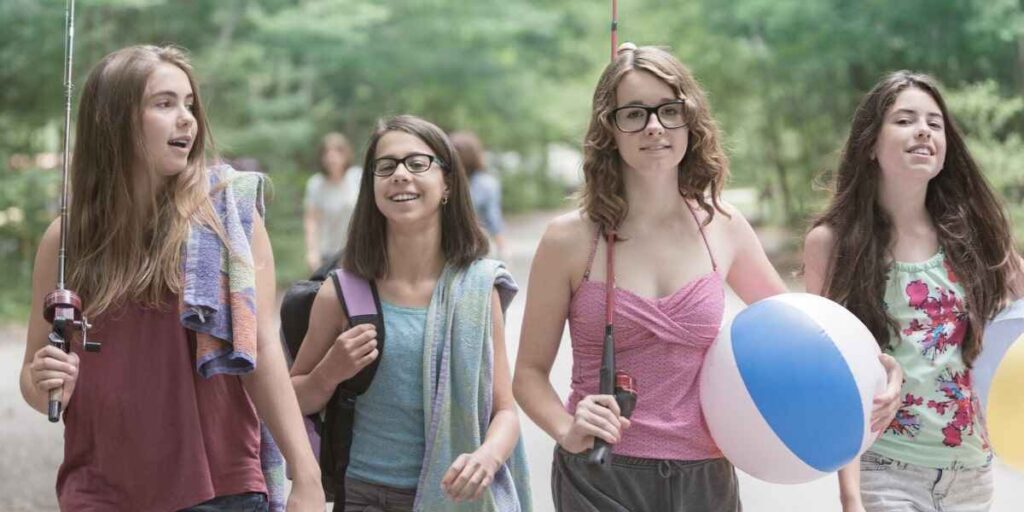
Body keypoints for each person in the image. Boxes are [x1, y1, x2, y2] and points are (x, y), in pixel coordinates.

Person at [512, 44, 903, 511]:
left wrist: (875, 366)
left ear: (689, 120)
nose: (654, 126)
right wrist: (566, 428)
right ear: (608, 129)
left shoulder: (724, 225)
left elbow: (803, 337)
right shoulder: (568, 240)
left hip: (706, 477)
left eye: (668, 110)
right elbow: (529, 375)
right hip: (600, 474)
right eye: (634, 113)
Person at [19, 45, 324, 511]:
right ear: (113, 120)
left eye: (189, 104)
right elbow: (35, 382)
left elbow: (260, 346)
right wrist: (45, 383)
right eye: (164, 104)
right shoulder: (66, 239)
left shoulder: (229, 215)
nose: (187, 119)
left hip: (220, 484)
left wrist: (307, 475)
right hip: (100, 490)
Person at [804, 71, 1024, 512]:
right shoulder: (832, 244)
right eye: (904, 120)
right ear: (870, 143)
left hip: (971, 471)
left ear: (944, 151)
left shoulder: (975, 237)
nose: (923, 129)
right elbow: (835, 375)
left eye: (934, 123)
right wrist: (850, 496)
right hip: (887, 470)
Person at [290, 115, 531, 511]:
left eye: (417, 163)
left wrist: (486, 458)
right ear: (372, 186)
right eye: (386, 166)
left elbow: (504, 410)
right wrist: (329, 372)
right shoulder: (344, 292)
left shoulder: (477, 288)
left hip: (454, 496)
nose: (400, 175)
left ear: (448, 182)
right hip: (365, 496)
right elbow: (292, 398)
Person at [304, 132, 362, 271]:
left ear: (346, 154)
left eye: (337, 151)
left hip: (357, 251)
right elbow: (312, 220)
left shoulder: (357, 177)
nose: (331, 157)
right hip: (328, 253)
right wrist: (312, 252)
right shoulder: (316, 184)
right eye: (327, 152)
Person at [452, 131, 507, 259]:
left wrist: (502, 247)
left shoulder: (485, 184)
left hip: (473, 247)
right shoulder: (487, 183)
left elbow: (493, 218)